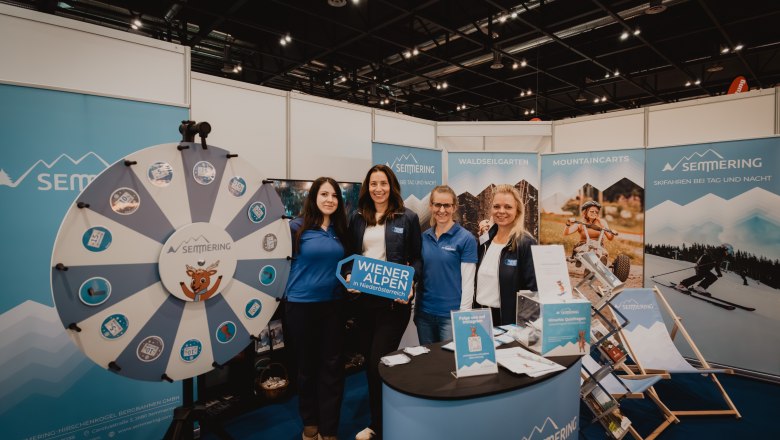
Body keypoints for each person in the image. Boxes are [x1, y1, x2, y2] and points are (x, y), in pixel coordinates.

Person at [346, 164, 422, 440]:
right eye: (374, 184)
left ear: (392, 186)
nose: (379, 189)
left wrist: (411, 283)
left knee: (377, 362)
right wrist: (349, 277)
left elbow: (416, 258)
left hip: (394, 303)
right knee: (371, 363)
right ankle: (380, 419)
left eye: (384, 183)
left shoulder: (408, 217)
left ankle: (381, 424)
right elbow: (351, 256)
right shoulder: (357, 217)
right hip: (364, 302)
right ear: (368, 187)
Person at [284, 177, 350, 440]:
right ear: (313, 197)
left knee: (333, 368)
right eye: (324, 194)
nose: (329, 199)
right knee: (307, 367)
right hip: (301, 306)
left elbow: (346, 264)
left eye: (334, 195)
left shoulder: (340, 230)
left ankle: (329, 428)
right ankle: (310, 422)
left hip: (333, 306)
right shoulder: (295, 227)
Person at [415, 185, 477, 345]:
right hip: (424, 314)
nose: (441, 210)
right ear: (431, 206)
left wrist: (464, 315)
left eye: (447, 205)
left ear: (454, 207)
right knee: (427, 361)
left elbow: (469, 282)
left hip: (451, 316)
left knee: (447, 364)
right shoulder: (423, 237)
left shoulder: (466, 239)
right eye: (437, 205)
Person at [475, 184, 538, 326]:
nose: (501, 211)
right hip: (480, 316)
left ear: (517, 211)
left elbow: (533, 290)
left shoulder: (525, 243)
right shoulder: (485, 240)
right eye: (496, 206)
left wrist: (522, 326)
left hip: (507, 321)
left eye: (508, 207)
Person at [563, 200, 614, 265]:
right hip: (583, 245)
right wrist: (568, 224)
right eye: (592, 211)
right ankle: (587, 258)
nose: (594, 213)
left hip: (598, 246)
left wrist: (612, 233)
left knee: (603, 252)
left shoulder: (602, 222)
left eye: (596, 212)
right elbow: (566, 233)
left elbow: (610, 238)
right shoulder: (580, 223)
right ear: (586, 212)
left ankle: (600, 259)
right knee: (585, 249)